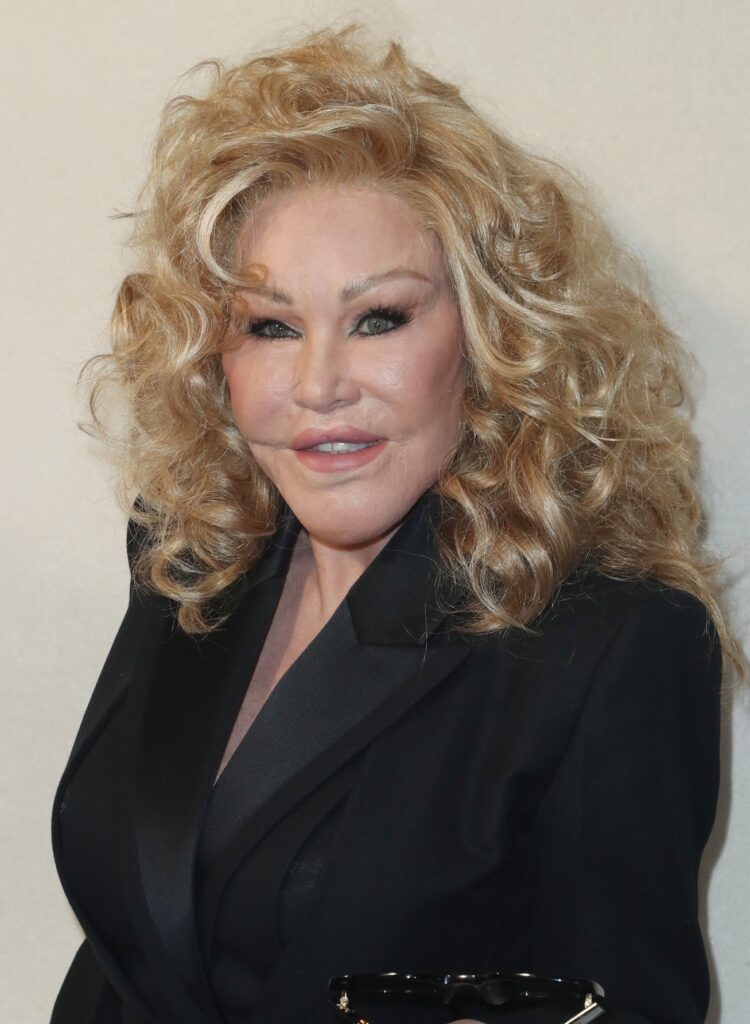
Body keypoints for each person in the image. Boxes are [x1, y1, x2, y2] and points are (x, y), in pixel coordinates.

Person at [50, 22, 742, 1024]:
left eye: (379, 319)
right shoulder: (189, 554)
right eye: (270, 326)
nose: (318, 384)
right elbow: (141, 945)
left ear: (493, 338)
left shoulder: (615, 647)